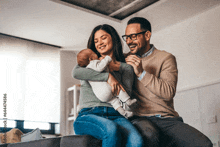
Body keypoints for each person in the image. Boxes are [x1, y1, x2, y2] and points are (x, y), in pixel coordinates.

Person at [122, 17, 213, 147]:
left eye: (133, 36)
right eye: (126, 37)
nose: (129, 41)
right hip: (140, 118)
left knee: (204, 144)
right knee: (149, 135)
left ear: (147, 35)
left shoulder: (166, 58)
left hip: (166, 119)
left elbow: (168, 93)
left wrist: (141, 73)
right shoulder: (124, 60)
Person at [72, 24, 143, 147]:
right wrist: (108, 77)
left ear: (113, 39)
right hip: (89, 114)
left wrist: (114, 68)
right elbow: (75, 73)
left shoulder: (125, 68)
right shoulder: (88, 63)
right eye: (96, 41)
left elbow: (125, 98)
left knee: (137, 141)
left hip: (116, 114)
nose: (99, 42)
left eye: (103, 37)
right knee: (110, 130)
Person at [76, 48, 137, 118]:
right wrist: (107, 58)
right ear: (90, 59)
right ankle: (128, 101)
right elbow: (100, 68)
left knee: (114, 102)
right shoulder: (93, 63)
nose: (97, 54)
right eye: (94, 54)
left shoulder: (86, 70)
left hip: (101, 96)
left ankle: (124, 113)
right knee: (118, 90)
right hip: (106, 89)